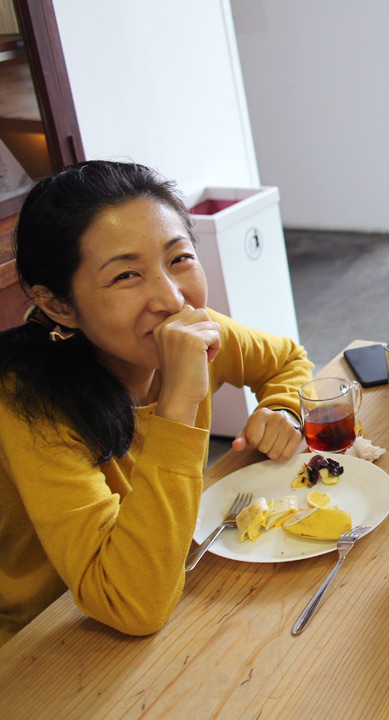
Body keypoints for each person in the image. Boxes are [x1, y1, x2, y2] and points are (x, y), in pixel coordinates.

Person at [0, 161, 313, 646]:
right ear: (60, 305)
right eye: (127, 275)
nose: (170, 299)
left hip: (172, 574)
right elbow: (131, 603)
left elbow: (287, 360)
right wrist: (180, 404)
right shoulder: (28, 405)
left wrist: (285, 411)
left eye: (179, 258)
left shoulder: (193, 330)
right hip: (46, 639)